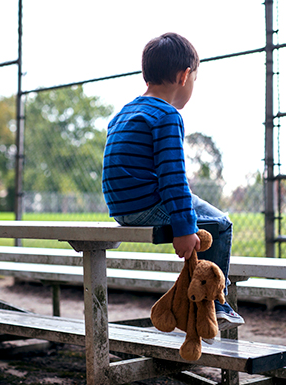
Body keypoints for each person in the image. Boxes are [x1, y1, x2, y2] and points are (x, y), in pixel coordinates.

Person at [102, 32, 244, 332]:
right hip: (148, 204)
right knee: (220, 223)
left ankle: (201, 294)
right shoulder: (167, 115)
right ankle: (215, 303)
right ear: (184, 76)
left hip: (121, 209)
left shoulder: (121, 114)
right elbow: (173, 178)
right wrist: (184, 227)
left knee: (207, 220)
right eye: (194, 80)